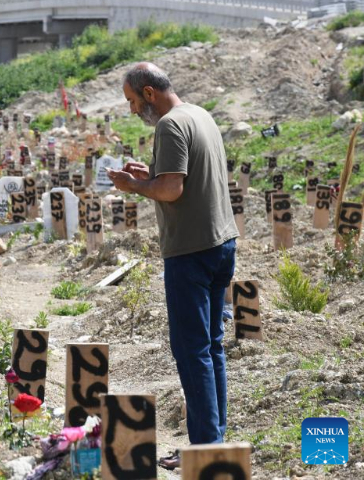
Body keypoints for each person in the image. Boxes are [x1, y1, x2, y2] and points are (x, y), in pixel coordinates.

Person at [107, 62, 239, 468]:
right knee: (211, 346)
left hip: (191, 252)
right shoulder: (200, 114)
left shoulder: (168, 126)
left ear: (149, 93)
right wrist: (151, 176)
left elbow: (170, 188)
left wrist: (135, 186)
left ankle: (201, 450)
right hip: (221, 244)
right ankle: (212, 440)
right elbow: (180, 178)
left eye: (132, 101)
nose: (132, 111)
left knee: (192, 350)